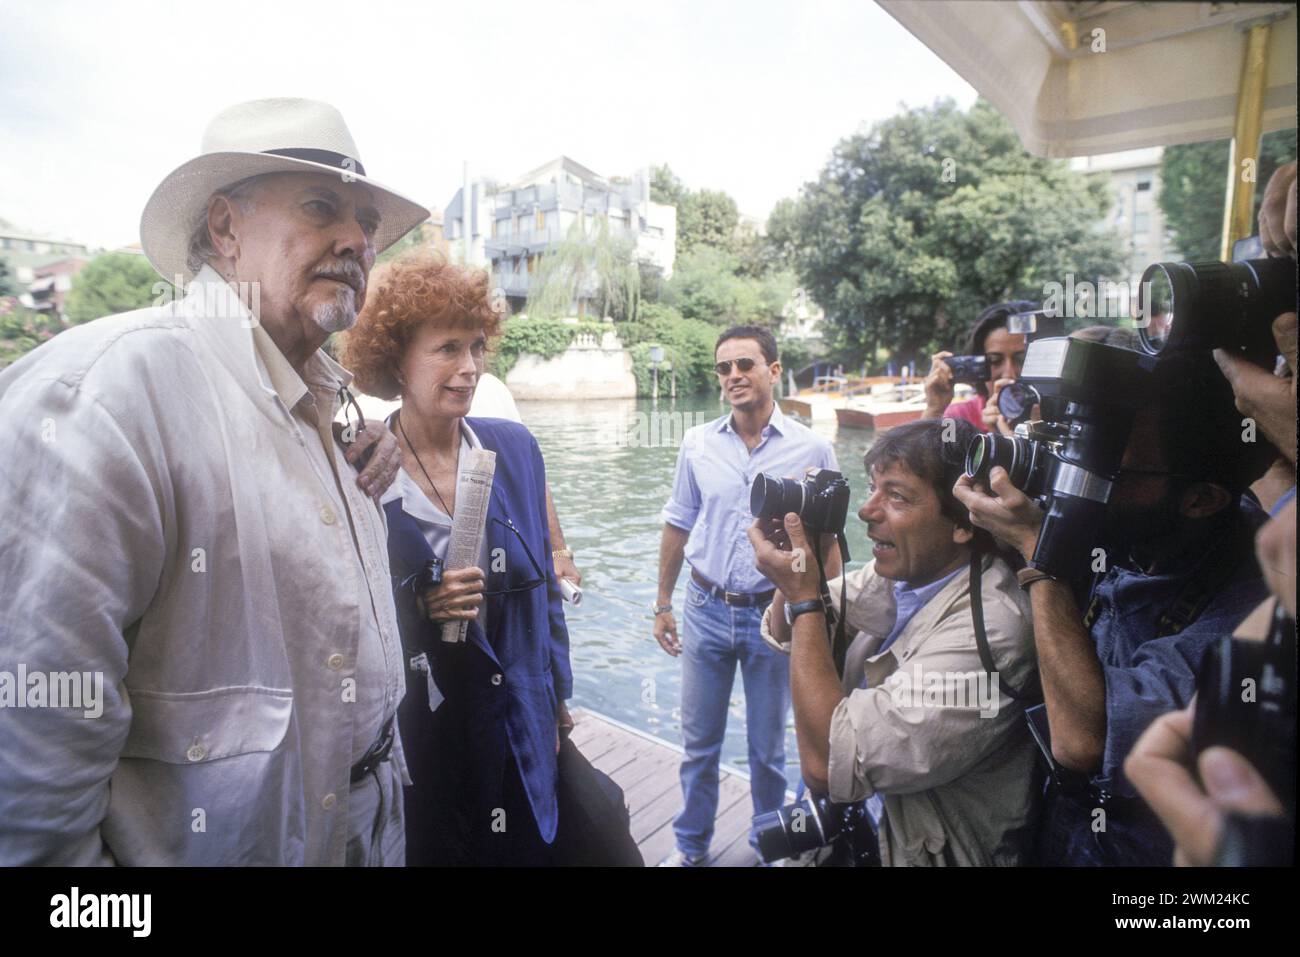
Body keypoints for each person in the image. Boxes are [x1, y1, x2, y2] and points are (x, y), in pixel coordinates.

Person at [0, 98, 425, 865]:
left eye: (366, 222)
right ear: (225, 227)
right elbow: (32, 797)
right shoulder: (105, 398)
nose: (357, 241)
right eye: (322, 206)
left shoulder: (329, 403)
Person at [953, 350, 1278, 865]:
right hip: (1060, 824)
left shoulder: (1255, 605)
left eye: (1106, 465)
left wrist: (1043, 557)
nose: (1073, 474)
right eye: (1076, 445)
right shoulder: (1144, 526)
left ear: (1200, 499)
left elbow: (1083, 741)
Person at [339, 252, 572, 865]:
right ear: (397, 360)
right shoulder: (364, 472)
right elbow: (343, 614)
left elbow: (545, 593)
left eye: (476, 347)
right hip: (424, 733)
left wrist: (558, 699)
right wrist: (420, 606)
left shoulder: (514, 449)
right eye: (447, 348)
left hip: (520, 725)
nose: (469, 368)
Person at [750, 418, 1041, 865]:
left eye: (897, 496)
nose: (867, 511)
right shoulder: (908, 575)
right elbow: (789, 629)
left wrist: (804, 598)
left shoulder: (995, 632)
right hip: (864, 827)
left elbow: (825, 764)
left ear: (964, 521)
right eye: (872, 489)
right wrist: (801, 559)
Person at [653, 325, 839, 866]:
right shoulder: (697, 443)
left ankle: (769, 847)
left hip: (774, 616)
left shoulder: (812, 448)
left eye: (745, 364)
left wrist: (828, 617)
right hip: (705, 607)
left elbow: (828, 541)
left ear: (773, 370)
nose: (733, 375)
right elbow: (678, 523)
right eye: (724, 368)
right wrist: (662, 603)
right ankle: (690, 848)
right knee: (699, 745)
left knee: (767, 749)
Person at [923, 300, 1036, 435]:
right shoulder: (959, 418)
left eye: (1022, 360)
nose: (1008, 374)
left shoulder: (1057, 417)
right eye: (994, 360)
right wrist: (935, 409)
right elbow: (922, 449)